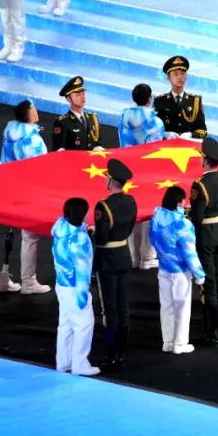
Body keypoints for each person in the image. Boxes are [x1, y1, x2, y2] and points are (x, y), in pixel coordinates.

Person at [0, 99, 53, 295]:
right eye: (34, 110)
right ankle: (28, 281)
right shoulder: (32, 140)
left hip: (11, 187)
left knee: (21, 234)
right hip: (29, 191)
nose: (37, 112)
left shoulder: (10, 132)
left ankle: (9, 277)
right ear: (28, 115)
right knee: (30, 237)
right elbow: (38, 168)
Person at [150, 185, 206, 354]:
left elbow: (152, 240)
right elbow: (189, 252)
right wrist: (199, 274)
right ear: (179, 202)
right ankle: (180, 344)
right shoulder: (183, 224)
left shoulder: (157, 216)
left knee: (166, 306)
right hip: (180, 271)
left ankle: (167, 342)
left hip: (164, 268)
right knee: (182, 307)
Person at [92, 158, 137, 371]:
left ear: (111, 182)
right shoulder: (131, 201)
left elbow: (101, 239)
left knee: (109, 311)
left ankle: (110, 352)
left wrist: (92, 234)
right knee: (123, 308)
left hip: (107, 260)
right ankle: (121, 352)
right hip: (123, 256)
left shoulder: (103, 206)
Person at [190, 137, 218, 345]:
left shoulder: (199, 185)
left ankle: (211, 331)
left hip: (205, 236)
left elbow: (197, 218)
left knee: (209, 285)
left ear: (205, 160)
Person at [52, 197, 101, 377]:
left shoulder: (60, 228)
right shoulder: (80, 240)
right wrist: (83, 297)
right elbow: (82, 270)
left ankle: (63, 362)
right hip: (75, 287)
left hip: (62, 284)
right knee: (84, 324)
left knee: (65, 324)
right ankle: (80, 364)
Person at [119, 83, 165, 270]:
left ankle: (132, 256)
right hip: (148, 171)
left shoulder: (123, 117)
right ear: (149, 99)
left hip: (128, 169)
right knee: (148, 213)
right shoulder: (155, 122)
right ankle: (147, 257)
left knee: (132, 211)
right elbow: (155, 148)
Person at [153, 56, 208, 138]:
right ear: (168, 77)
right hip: (167, 145)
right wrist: (165, 134)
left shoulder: (195, 101)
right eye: (175, 74)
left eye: (183, 73)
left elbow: (202, 130)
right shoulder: (160, 101)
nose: (180, 77)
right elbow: (153, 130)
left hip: (188, 144)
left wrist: (191, 135)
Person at [52, 75, 102, 150]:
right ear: (68, 99)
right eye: (78, 95)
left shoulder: (93, 118)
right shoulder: (62, 122)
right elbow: (59, 150)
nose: (82, 97)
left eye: (83, 93)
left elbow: (97, 145)